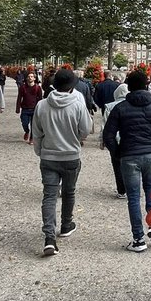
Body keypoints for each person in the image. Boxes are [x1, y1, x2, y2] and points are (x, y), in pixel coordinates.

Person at [30, 67, 92, 257]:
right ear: (72, 86)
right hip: (71, 155)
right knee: (69, 191)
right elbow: (86, 129)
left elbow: (36, 132)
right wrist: (76, 138)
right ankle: (66, 224)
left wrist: (39, 151)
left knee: (49, 196)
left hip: (49, 156)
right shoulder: (78, 105)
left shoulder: (42, 105)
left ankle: (49, 237)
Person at [103, 69, 151, 252]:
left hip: (129, 154)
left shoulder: (120, 108)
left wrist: (118, 152)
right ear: (146, 85)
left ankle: (138, 239)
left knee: (133, 197)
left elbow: (108, 135)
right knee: (150, 190)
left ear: (128, 87)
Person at [15, 70, 43, 143]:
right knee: (24, 123)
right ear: (26, 78)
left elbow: (40, 99)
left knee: (33, 125)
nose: (30, 78)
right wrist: (18, 108)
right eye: (29, 76)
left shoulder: (37, 88)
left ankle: (31, 138)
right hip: (25, 108)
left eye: (32, 76)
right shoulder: (23, 87)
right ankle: (27, 131)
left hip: (34, 109)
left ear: (34, 78)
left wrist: (40, 109)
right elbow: (19, 98)